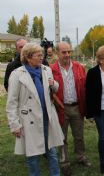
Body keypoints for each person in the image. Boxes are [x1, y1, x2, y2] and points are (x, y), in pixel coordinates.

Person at [6, 43, 64, 176]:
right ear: (28, 57)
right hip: (29, 120)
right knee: (33, 156)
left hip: (47, 117)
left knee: (52, 152)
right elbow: (11, 102)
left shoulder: (46, 70)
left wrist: (53, 84)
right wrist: (14, 125)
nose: (42, 58)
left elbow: (54, 88)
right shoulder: (17, 75)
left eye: (42, 55)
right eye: (38, 55)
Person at [50, 42, 91, 176]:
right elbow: (50, 91)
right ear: (57, 53)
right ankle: (64, 162)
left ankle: (80, 157)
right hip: (60, 108)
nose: (67, 55)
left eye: (69, 51)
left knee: (79, 136)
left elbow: (84, 87)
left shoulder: (79, 67)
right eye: (64, 52)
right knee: (62, 138)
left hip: (76, 107)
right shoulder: (51, 69)